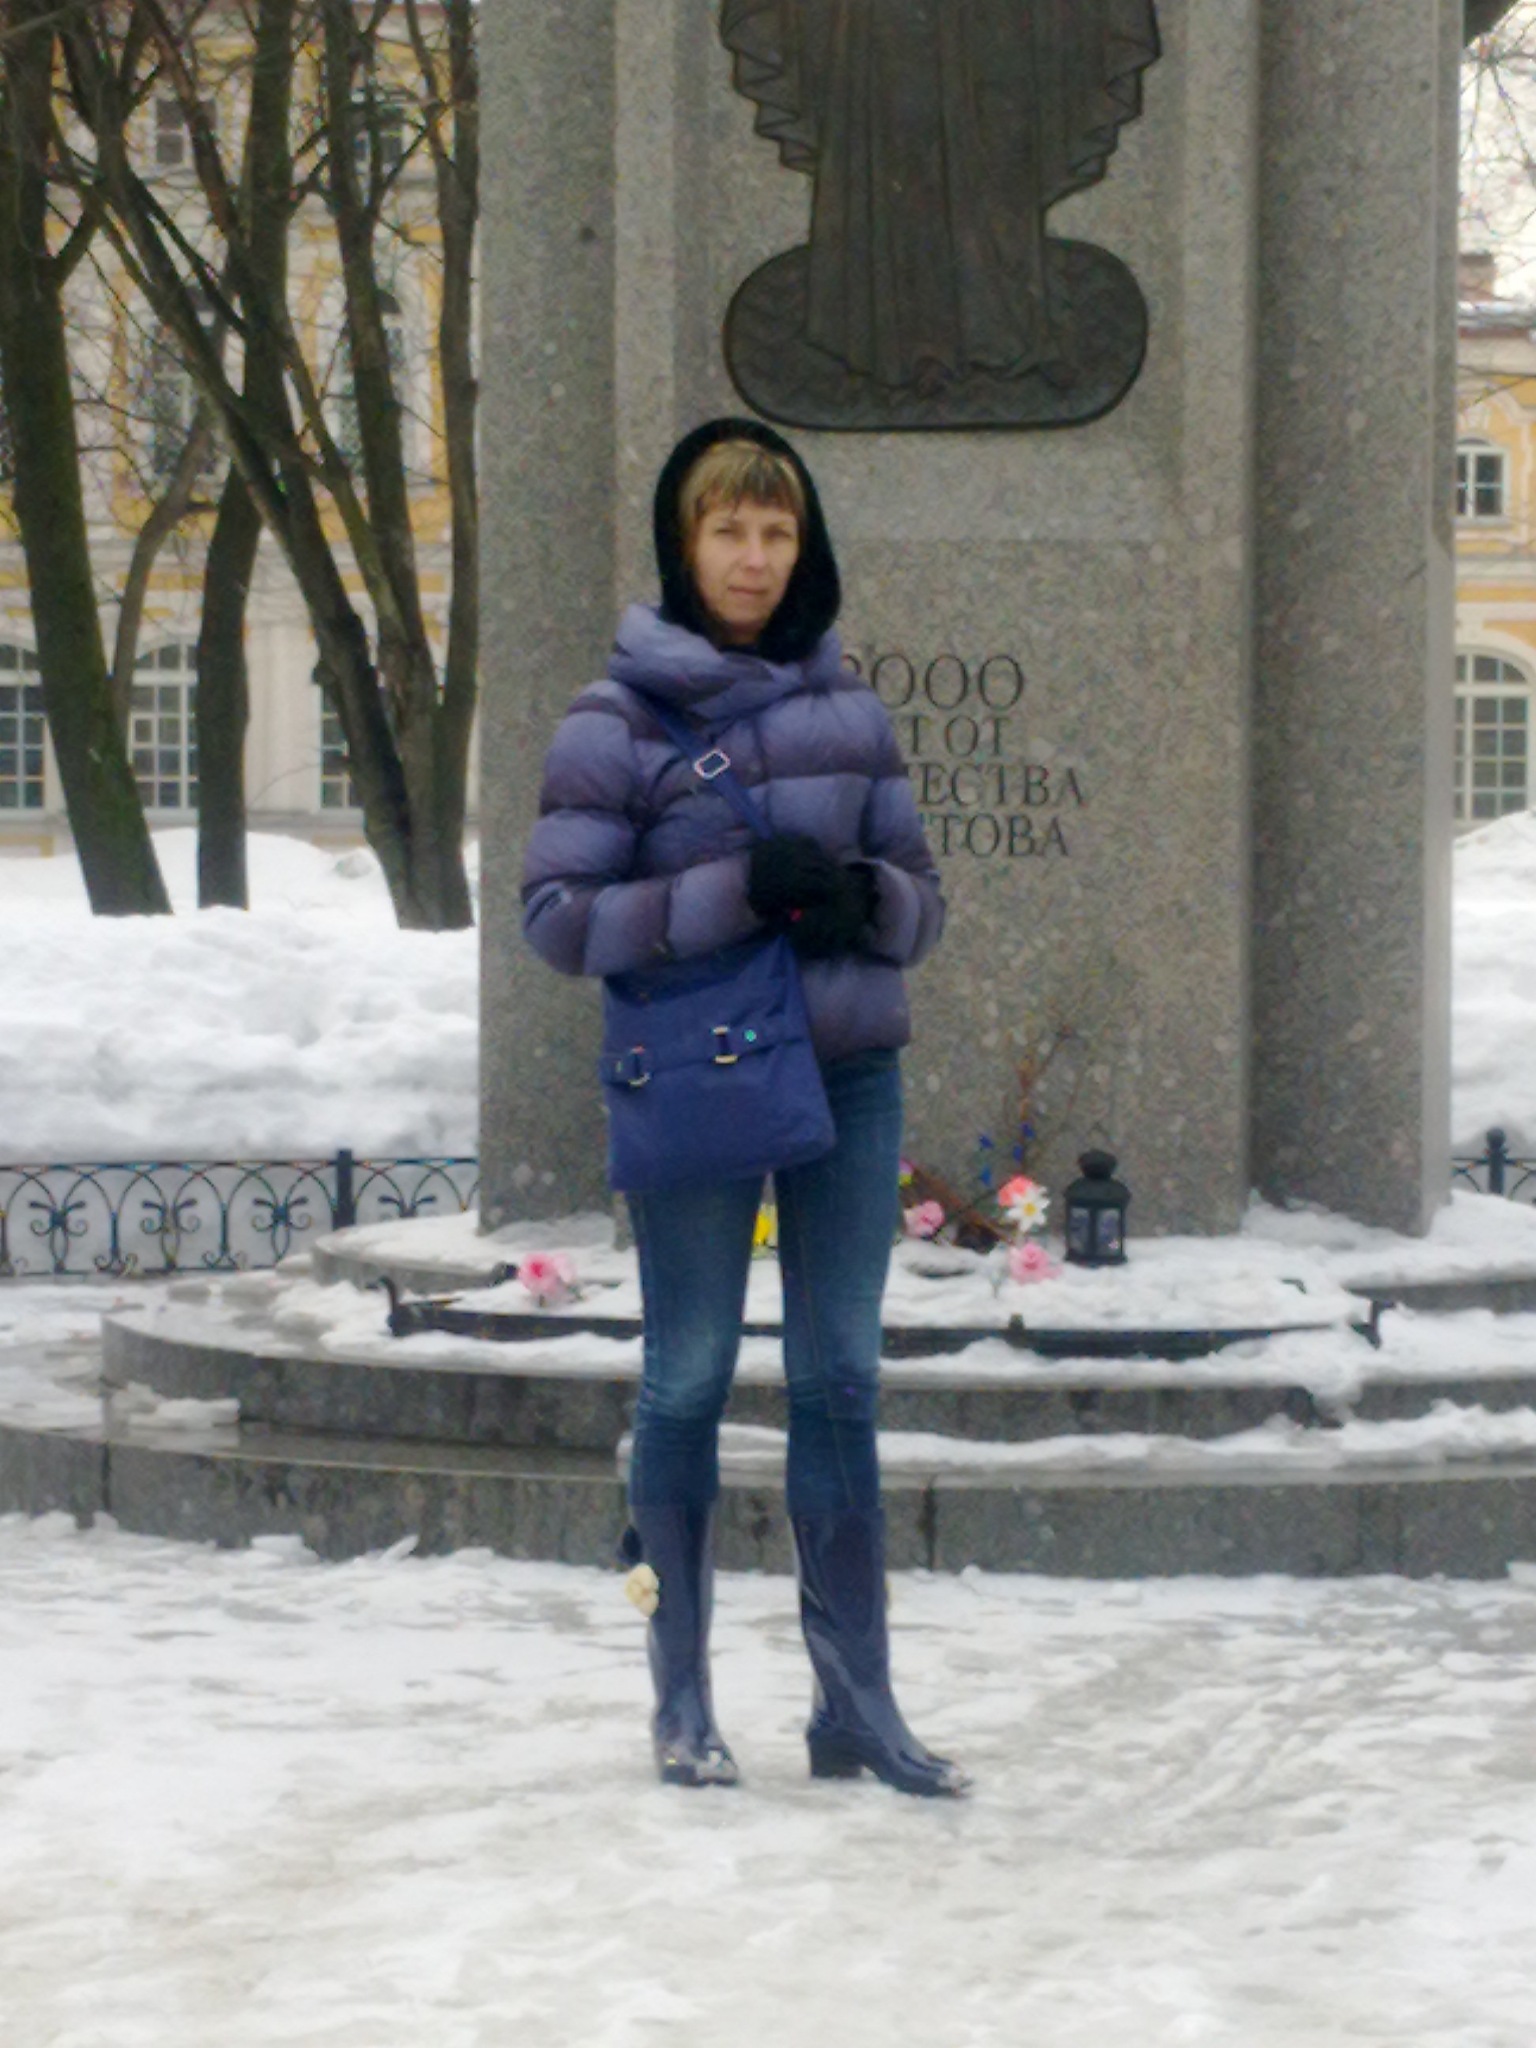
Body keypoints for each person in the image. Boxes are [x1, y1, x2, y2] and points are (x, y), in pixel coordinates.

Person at [521, 417, 967, 1798]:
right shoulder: (615, 719)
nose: (754, 558)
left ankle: (856, 1705)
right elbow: (557, 917)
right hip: (701, 1074)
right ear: (684, 543)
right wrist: (734, 895)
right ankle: (682, 1702)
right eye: (728, 531)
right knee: (689, 1376)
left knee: (841, 1379)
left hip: (847, 1072)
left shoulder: (853, 709)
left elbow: (925, 901)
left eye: (777, 533)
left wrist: (864, 902)